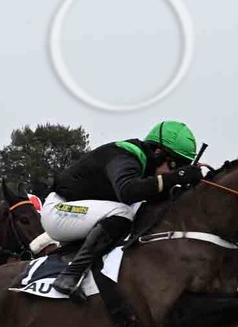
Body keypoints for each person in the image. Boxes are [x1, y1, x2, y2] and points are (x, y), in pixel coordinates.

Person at [38, 120, 203, 298]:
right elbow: (127, 192)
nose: (173, 172)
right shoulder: (126, 155)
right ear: (157, 153)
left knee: (139, 210)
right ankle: (71, 275)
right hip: (59, 211)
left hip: (79, 214)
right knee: (123, 212)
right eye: (174, 165)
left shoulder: (144, 167)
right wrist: (177, 177)